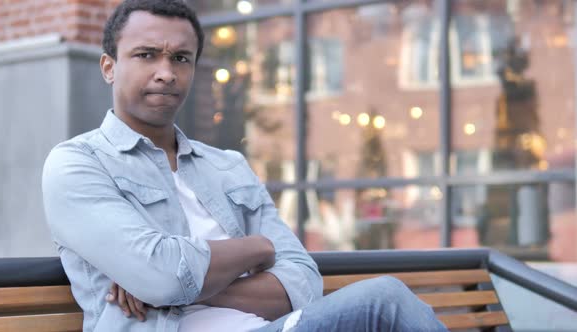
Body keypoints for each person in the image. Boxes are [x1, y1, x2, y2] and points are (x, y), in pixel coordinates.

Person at [41, 1, 448, 331]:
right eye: (146, 55)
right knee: (384, 301)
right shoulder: (77, 164)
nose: (166, 73)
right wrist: (256, 250)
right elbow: (160, 276)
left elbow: (304, 282)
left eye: (181, 59)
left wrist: (180, 285)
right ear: (109, 67)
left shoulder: (227, 167)